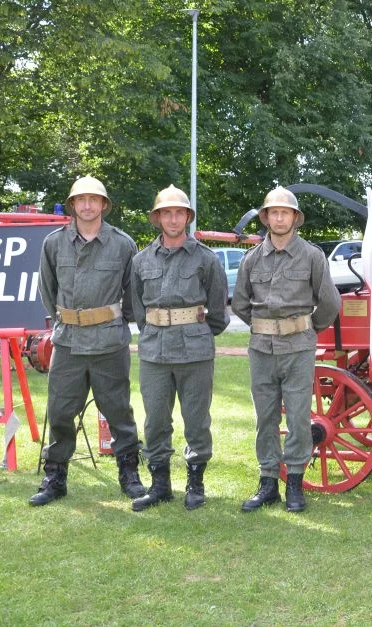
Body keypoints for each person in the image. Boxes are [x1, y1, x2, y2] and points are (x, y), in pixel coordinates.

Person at [31, 176, 146, 505]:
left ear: (104, 205)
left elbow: (132, 294)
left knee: (119, 411)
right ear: (72, 205)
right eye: (80, 200)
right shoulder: (54, 243)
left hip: (109, 343)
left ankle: (129, 472)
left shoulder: (122, 244)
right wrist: (68, 319)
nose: (86, 205)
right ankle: (55, 477)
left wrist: (111, 321)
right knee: (61, 411)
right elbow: (47, 290)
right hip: (67, 343)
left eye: (93, 200)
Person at [231, 187, 340, 513]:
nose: (279, 217)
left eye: (285, 212)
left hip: (298, 348)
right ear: (266, 218)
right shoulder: (251, 259)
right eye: (273, 212)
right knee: (265, 417)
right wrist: (267, 326)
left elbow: (330, 302)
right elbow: (239, 303)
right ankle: (267, 483)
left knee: (297, 416)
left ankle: (294, 482)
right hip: (262, 348)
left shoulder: (311, 256)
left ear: (294, 218)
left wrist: (305, 328)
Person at [129, 185, 230, 512]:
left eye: (179, 212)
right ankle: (160, 486)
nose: (173, 219)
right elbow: (137, 310)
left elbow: (217, 312)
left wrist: (196, 333)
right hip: (154, 352)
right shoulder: (141, 260)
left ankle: (195, 483)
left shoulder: (206, 259)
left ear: (187, 216)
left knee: (196, 419)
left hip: (195, 352)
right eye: (166, 213)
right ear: (158, 218)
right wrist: (157, 332)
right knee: (155, 419)